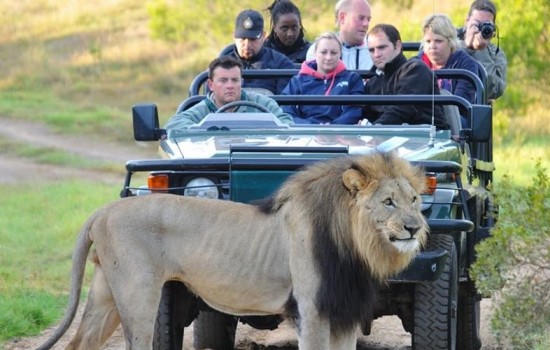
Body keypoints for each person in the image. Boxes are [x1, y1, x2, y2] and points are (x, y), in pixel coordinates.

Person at [164, 57, 293, 130]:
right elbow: (173, 124)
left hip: (255, 160)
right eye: (223, 81)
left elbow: (287, 124)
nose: (230, 86)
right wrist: (205, 130)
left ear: (241, 82)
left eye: (235, 80)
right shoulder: (201, 110)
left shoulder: (263, 103)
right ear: (210, 85)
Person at [362, 24, 449, 130]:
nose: (376, 54)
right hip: (384, 140)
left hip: (427, 138)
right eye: (371, 50)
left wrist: (374, 129)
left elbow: (404, 109)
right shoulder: (372, 84)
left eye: (382, 47)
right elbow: (365, 116)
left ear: (398, 46)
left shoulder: (416, 69)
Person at [281, 32, 364, 124]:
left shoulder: (352, 79)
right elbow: (286, 112)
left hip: (341, 134)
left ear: (340, 54)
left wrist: (332, 129)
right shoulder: (297, 81)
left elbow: (354, 112)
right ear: (315, 53)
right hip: (305, 135)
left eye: (334, 53)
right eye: (323, 52)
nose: (328, 57)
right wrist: (312, 129)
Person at [418, 14, 480, 127]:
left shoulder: (466, 65)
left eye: (438, 41)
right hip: (421, 120)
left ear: (450, 41)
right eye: (428, 41)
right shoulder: (416, 64)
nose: (432, 46)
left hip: (454, 120)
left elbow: (460, 105)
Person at [220, 9, 295, 94]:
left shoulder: (281, 65)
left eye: (253, 39)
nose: (247, 44)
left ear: (263, 36)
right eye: (242, 38)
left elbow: (285, 104)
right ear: (234, 36)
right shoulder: (220, 65)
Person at [458, 0, 507, 100]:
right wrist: (466, 47)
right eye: (477, 24)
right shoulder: (447, 39)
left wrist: (481, 50)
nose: (480, 29)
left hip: (475, 111)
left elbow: (493, 91)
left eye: (486, 25)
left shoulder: (496, 53)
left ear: (493, 28)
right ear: (467, 20)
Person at [305, 0, 373, 70]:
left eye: (368, 19)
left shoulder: (376, 49)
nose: (366, 24)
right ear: (342, 18)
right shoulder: (318, 50)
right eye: (361, 18)